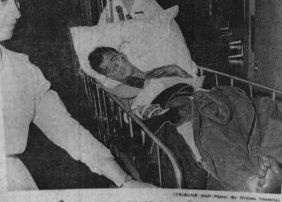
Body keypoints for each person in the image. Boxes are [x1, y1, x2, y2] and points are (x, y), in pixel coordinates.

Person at [0, 0, 154, 191]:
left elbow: (68, 131)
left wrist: (124, 181)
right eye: (3, 0)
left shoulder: (23, 71)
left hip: (16, 187)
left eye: (17, 0)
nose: (17, 12)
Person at [88, 46, 282, 193]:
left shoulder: (166, 70)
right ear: (109, 77)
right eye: (109, 70)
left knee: (264, 106)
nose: (116, 68)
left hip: (206, 96)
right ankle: (250, 180)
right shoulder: (123, 94)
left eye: (114, 60)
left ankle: (270, 160)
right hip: (180, 105)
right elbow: (135, 116)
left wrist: (185, 79)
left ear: (122, 56)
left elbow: (196, 84)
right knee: (209, 132)